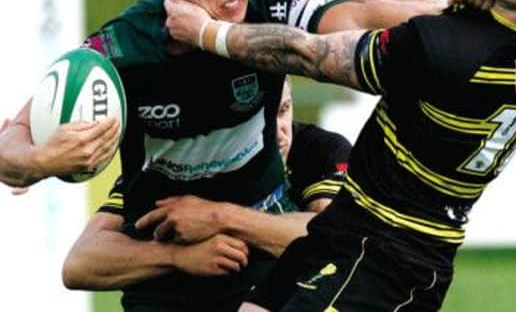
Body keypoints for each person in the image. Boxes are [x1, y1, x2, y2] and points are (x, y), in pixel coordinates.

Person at [163, 0, 516, 311]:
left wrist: (207, 33)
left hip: (387, 257)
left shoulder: (449, 53)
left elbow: (310, 56)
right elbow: (433, 19)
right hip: (352, 227)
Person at [48, 0, 456, 312]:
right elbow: (75, 260)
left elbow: (386, 19)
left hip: (261, 286)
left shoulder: (274, 11)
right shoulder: (124, 51)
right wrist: (37, 163)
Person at [63, 76, 351, 305]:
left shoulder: (318, 149)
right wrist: (177, 257)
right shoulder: (179, 160)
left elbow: (335, 238)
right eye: (259, 118)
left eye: (283, 110)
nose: (277, 130)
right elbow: (79, 264)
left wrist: (219, 217)